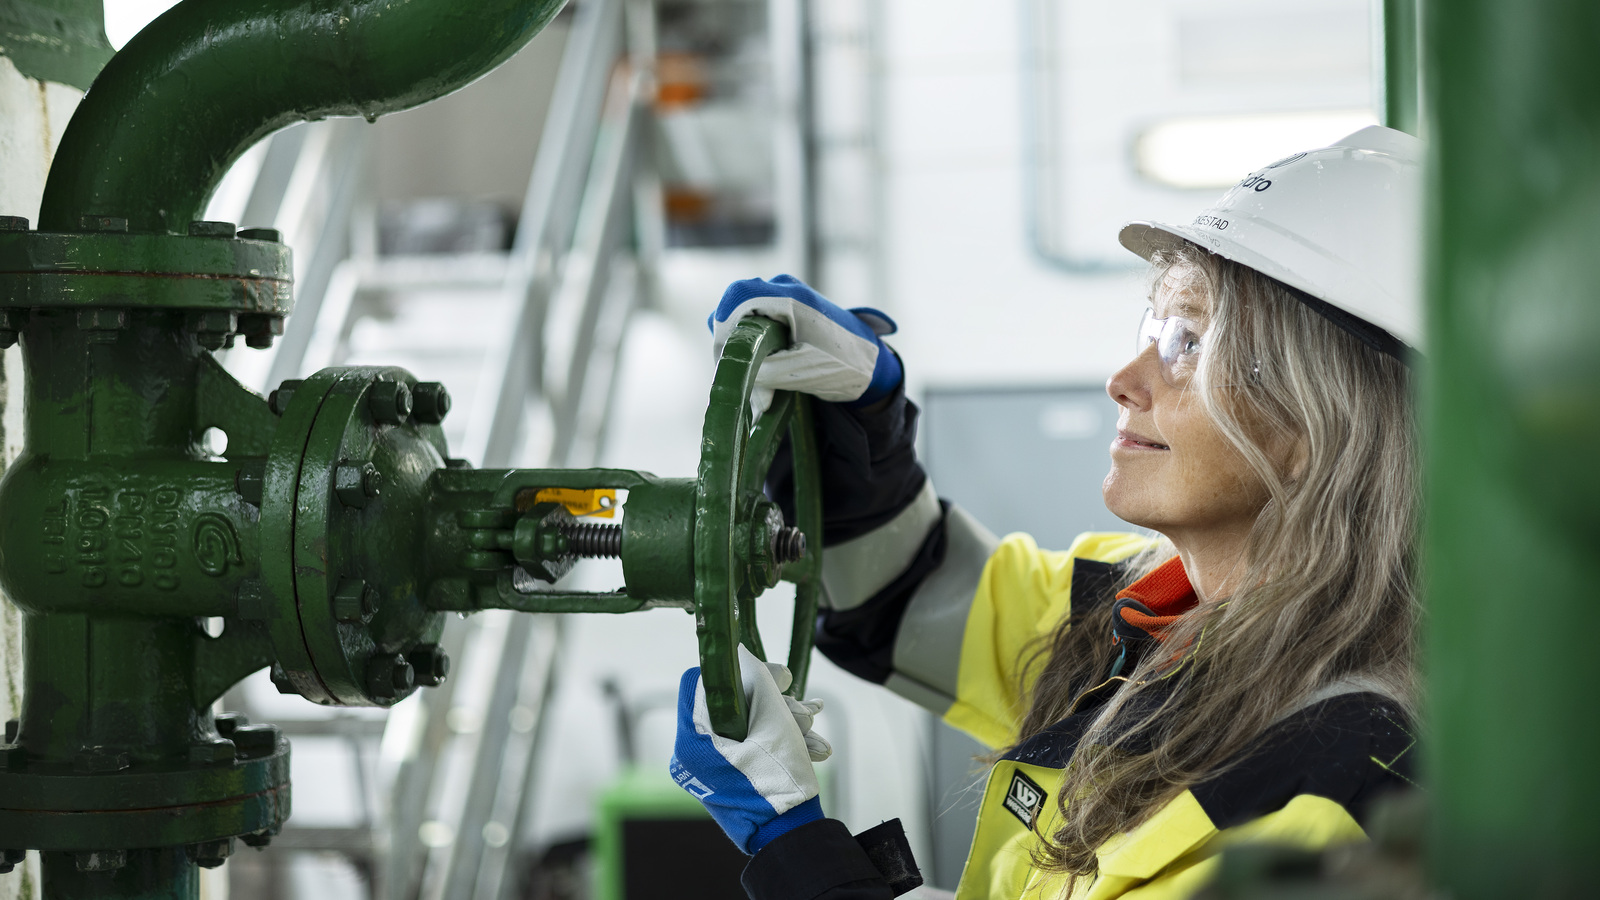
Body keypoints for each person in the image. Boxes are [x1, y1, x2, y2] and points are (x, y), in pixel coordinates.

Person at [669, 125, 1423, 899]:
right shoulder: (1148, 606)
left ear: (1321, 421)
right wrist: (859, 426)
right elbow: (903, 598)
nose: (1123, 380)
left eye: (1191, 342)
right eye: (1154, 330)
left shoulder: (1341, 783)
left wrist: (799, 852)